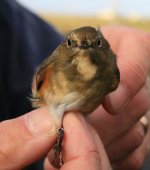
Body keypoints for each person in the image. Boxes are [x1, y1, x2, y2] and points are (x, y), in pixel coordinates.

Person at [0, 0, 150, 169]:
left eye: (97, 43)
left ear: (105, 46)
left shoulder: (111, 74)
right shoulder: (53, 65)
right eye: (71, 44)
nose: (83, 48)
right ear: (65, 46)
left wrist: (138, 116)